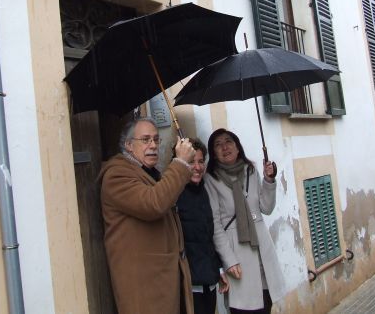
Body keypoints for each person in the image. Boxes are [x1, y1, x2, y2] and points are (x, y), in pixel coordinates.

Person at [98, 117, 197, 314]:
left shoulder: (149, 172)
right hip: (144, 285)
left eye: (156, 139)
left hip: (162, 279)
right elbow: (154, 203)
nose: (153, 145)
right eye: (145, 140)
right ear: (128, 145)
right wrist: (179, 163)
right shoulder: (116, 175)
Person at [204, 128, 284, 313]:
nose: (225, 147)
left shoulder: (251, 170)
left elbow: (266, 207)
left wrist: (269, 180)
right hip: (238, 254)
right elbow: (215, 224)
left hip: (262, 250)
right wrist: (229, 260)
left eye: (228, 142)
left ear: (238, 147)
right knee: (244, 308)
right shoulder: (211, 180)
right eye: (218, 145)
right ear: (214, 153)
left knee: (266, 303)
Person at [176, 138, 230, 314]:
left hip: (209, 281)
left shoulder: (205, 191)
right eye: (191, 161)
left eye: (201, 161)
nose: (198, 167)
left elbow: (208, 237)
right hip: (189, 286)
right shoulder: (175, 195)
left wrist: (218, 269)